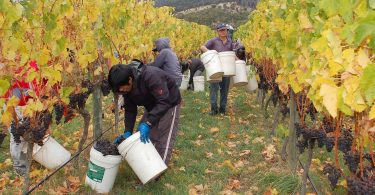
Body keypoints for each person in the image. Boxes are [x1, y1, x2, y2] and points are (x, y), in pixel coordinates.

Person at [110, 60, 181, 166]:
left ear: (130, 80)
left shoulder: (151, 76)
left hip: (169, 102)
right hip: (152, 104)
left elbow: (164, 101)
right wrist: (128, 131)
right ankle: (148, 165)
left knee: (164, 136)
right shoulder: (126, 88)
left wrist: (148, 122)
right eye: (119, 91)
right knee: (141, 135)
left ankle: (160, 169)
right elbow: (130, 110)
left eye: (122, 89)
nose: (122, 92)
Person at [2, 60, 42, 176]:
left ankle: (31, 157)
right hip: (15, 100)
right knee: (18, 134)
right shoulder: (7, 55)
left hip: (31, 99)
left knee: (32, 129)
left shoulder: (31, 49)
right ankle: (20, 167)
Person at [201, 23, 234, 115]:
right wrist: (211, 53)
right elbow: (202, 47)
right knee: (214, 89)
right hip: (215, 68)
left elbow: (232, 54)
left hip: (226, 69)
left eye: (224, 30)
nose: (223, 32)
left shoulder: (230, 41)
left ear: (227, 30)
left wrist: (238, 61)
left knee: (224, 90)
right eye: (221, 30)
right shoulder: (213, 41)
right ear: (218, 32)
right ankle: (214, 110)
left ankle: (222, 109)